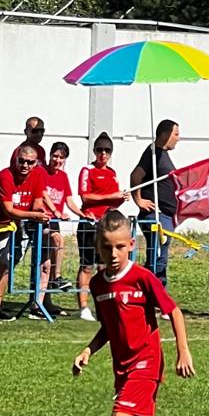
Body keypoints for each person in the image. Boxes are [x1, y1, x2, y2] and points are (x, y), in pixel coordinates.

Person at [72, 209, 195, 416]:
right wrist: (88, 350)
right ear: (98, 247)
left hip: (147, 361)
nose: (113, 254)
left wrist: (183, 351)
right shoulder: (98, 285)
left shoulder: (142, 278)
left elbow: (173, 311)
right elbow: (108, 327)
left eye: (119, 246)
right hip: (123, 367)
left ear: (131, 245)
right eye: (107, 247)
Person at [0, 144, 50, 319]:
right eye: (22, 161)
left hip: (5, 225)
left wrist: (39, 212)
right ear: (15, 160)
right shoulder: (5, 176)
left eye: (30, 162)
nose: (25, 165)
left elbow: (37, 201)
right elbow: (9, 210)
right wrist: (35, 215)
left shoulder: (38, 175)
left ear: (36, 163)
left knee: (6, 263)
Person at [76, 133, 127, 321]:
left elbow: (113, 202)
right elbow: (85, 197)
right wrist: (111, 196)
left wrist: (121, 198)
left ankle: (103, 303)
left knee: (104, 266)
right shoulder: (87, 170)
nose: (103, 154)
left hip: (106, 226)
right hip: (90, 224)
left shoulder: (112, 173)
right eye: (99, 150)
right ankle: (83, 306)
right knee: (87, 266)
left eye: (107, 151)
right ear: (94, 151)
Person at [130, 119, 179, 285]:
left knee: (158, 257)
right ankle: (152, 291)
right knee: (157, 258)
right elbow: (135, 176)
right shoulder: (153, 153)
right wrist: (139, 200)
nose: (178, 138)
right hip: (155, 215)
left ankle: (152, 291)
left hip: (166, 216)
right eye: (176, 134)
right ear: (165, 135)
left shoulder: (162, 154)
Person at [38, 141, 75, 315]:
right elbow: (43, 194)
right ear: (50, 155)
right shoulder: (41, 171)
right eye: (55, 156)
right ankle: (57, 277)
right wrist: (55, 211)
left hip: (54, 221)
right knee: (57, 240)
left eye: (61, 157)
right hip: (42, 220)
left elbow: (69, 200)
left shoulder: (63, 176)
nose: (57, 160)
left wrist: (83, 214)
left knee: (46, 264)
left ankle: (43, 302)